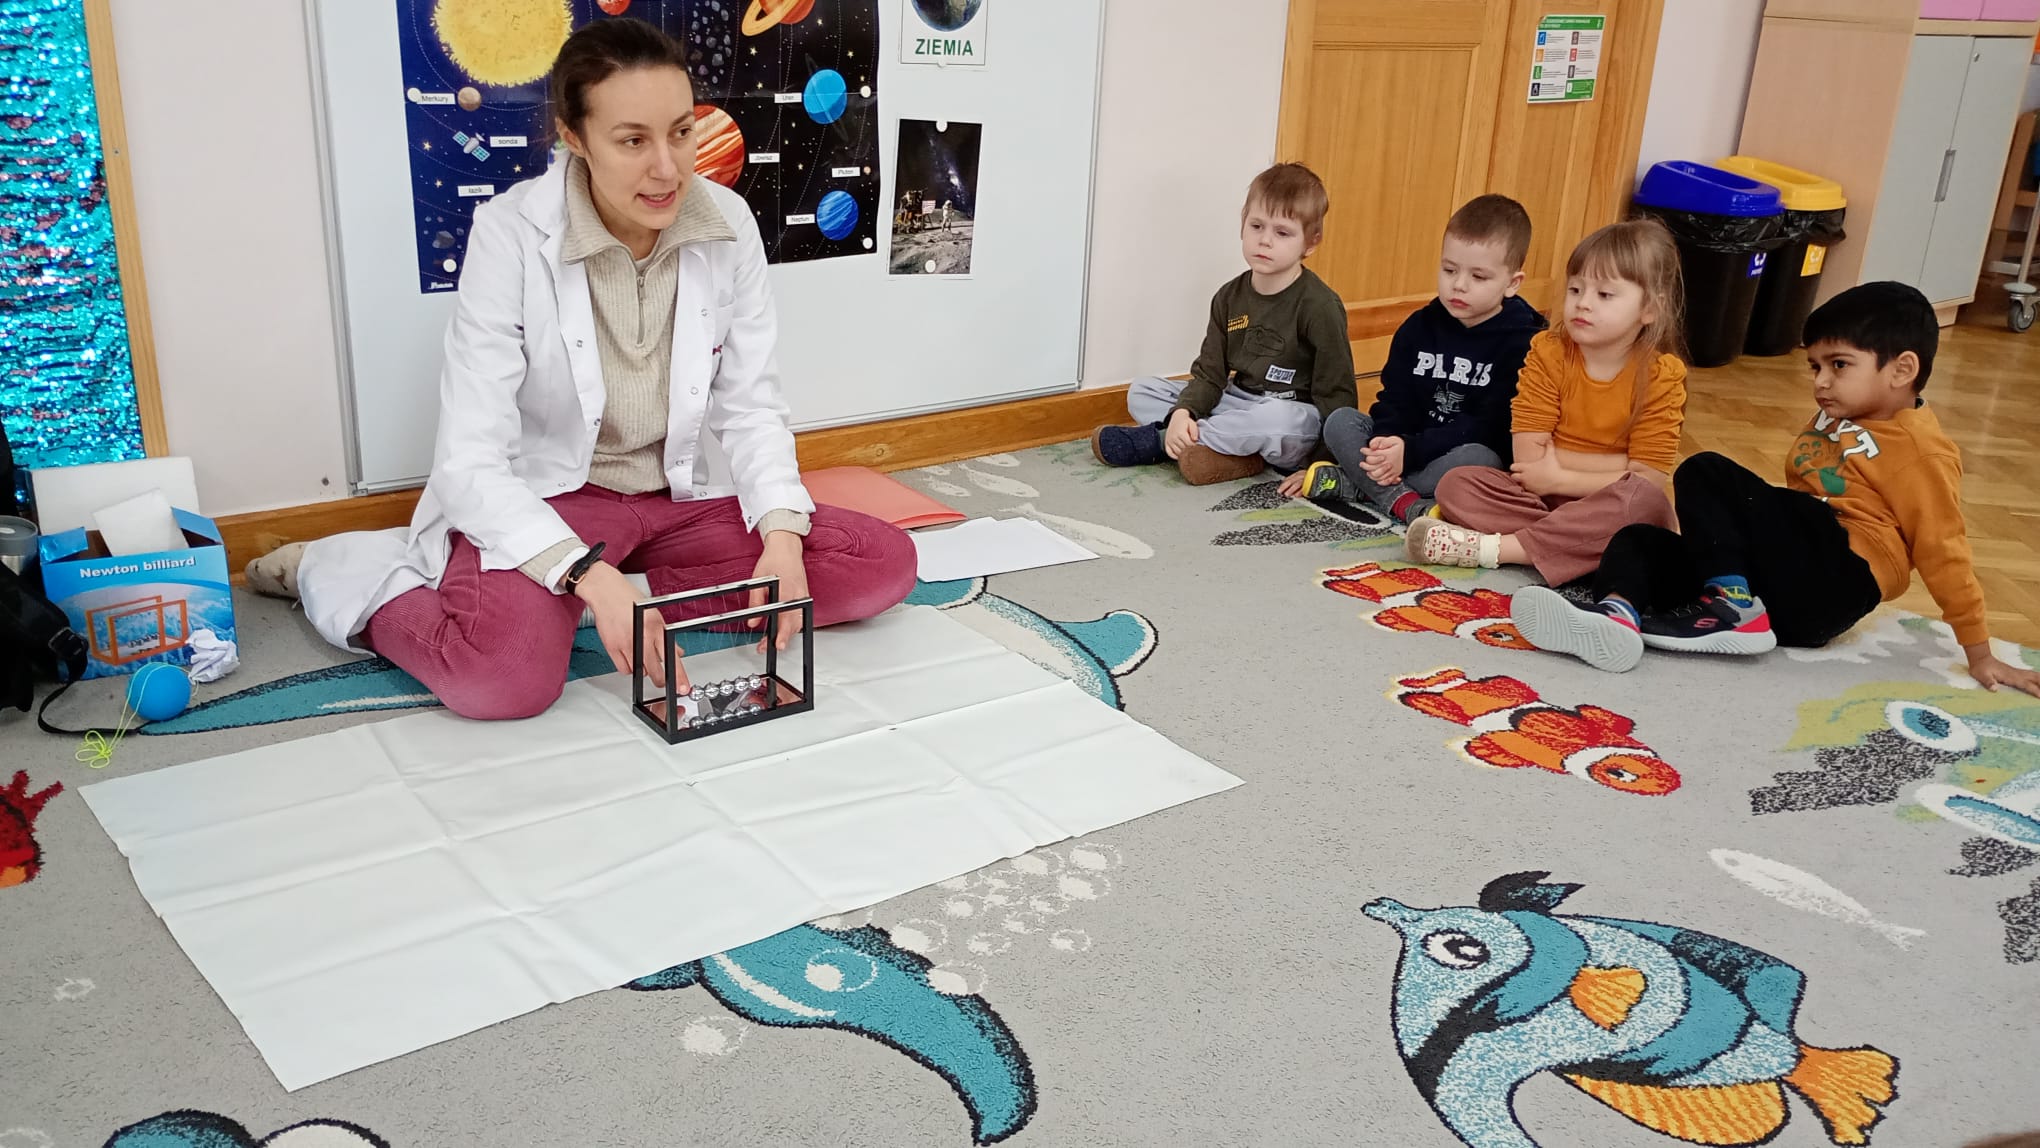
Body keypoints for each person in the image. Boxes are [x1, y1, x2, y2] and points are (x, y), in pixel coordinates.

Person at [261, 19, 916, 720]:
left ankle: (612, 599)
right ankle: (342, 570)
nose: (668, 168)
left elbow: (751, 405)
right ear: (574, 138)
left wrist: (782, 539)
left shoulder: (728, 222)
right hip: (555, 499)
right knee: (501, 681)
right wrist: (584, 572)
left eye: (681, 132)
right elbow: (468, 461)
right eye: (632, 140)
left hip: (675, 502)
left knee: (880, 562)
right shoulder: (509, 233)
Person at [1511, 281, 2040, 695]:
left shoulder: (1921, 450)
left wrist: (1980, 652)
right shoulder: (1839, 415)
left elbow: (1944, 551)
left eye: (1839, 365)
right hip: (1784, 599)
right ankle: (1618, 619)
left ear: (1902, 369)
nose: (1820, 381)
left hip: (1838, 577)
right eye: (1815, 366)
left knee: (1706, 470)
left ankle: (1730, 606)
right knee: (1639, 540)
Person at [1407, 219, 1686, 589]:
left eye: (1605, 295)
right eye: (1575, 289)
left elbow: (1647, 479)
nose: (1583, 303)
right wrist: (1617, 466)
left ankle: (1499, 549)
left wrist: (1560, 476)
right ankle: (1584, 550)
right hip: (1540, 500)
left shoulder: (1662, 376)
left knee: (1643, 503)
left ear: (1649, 308)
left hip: (1607, 503)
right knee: (1457, 484)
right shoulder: (1548, 352)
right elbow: (1529, 459)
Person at [1282, 194, 1545, 523]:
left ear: (1512, 283)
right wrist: (1386, 442)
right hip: (1404, 447)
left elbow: (1489, 427)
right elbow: (1395, 399)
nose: (1459, 285)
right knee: (1340, 421)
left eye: (1478, 277)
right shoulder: (1418, 327)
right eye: (1449, 269)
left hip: (1454, 453)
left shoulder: (1525, 342)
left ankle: (1360, 487)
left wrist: (1410, 452)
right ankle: (1405, 502)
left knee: (1481, 459)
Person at [1089, 163, 1355, 486]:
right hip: (1237, 402)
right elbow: (1210, 374)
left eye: (1282, 233)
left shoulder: (1320, 306)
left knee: (1273, 419)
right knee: (1143, 391)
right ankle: (1222, 450)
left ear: (1310, 243)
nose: (1265, 240)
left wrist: (1321, 464)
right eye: (1256, 226)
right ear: (1243, 225)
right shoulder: (1228, 297)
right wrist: (1183, 413)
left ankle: (1159, 441)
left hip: (1291, 417)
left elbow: (1337, 394)